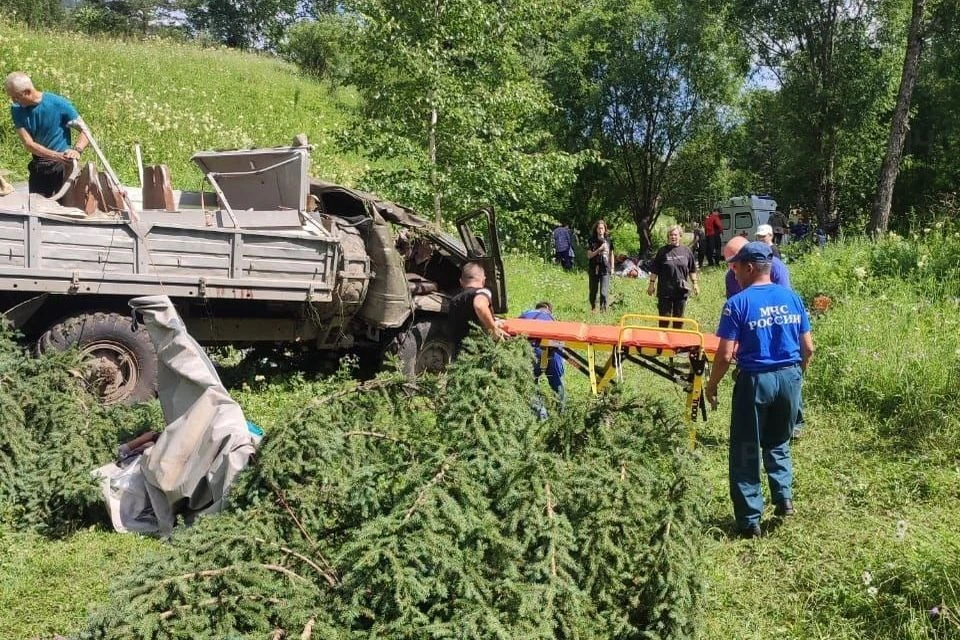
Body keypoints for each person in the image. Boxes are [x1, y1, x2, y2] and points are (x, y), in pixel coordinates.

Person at [704, 242, 814, 539]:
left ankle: (750, 520)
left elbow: (725, 355)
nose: (734, 273)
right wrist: (794, 377)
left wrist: (711, 386)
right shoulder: (792, 297)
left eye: (736, 267)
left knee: (745, 449)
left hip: (755, 380)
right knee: (779, 440)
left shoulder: (738, 303)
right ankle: (784, 497)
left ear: (749, 267)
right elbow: (809, 348)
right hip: (789, 377)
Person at [5, 72, 88, 198]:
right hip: (40, 166)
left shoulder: (58, 104)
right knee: (36, 208)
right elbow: (29, 144)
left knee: (63, 209)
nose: (13, 101)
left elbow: (85, 131)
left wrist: (77, 150)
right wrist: (56, 156)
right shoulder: (17, 109)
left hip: (63, 167)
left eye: (16, 97)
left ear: (27, 92)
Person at [518, 301, 565, 418]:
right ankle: (561, 413)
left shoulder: (526, 314)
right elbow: (561, 342)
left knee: (530, 381)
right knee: (557, 382)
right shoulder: (553, 320)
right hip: (553, 351)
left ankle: (540, 414)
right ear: (549, 310)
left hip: (533, 350)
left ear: (537, 308)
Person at [448, 262, 505, 358]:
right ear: (483, 280)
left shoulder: (454, 301)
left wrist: (494, 320)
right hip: (481, 353)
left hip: (460, 356)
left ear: (461, 281)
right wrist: (494, 330)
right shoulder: (482, 291)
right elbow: (479, 306)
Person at [647, 224, 699, 328]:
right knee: (664, 320)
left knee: (678, 320)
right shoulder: (662, 251)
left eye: (675, 235)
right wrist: (651, 285)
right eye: (671, 235)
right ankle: (663, 343)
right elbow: (655, 270)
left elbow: (692, 269)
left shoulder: (686, 251)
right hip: (665, 291)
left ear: (680, 236)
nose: (673, 237)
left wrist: (695, 284)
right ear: (668, 236)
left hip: (681, 290)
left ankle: (677, 343)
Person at [723, 235, 790, 299]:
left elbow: (784, 299)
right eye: (729, 262)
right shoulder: (731, 276)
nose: (732, 267)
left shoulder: (775, 267)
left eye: (736, 260)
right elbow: (733, 305)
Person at [586, 220, 613, 312]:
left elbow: (611, 254)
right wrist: (599, 249)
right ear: (596, 230)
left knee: (603, 292)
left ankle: (603, 310)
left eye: (602, 228)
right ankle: (593, 307)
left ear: (605, 229)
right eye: (599, 228)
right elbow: (589, 255)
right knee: (593, 291)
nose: (600, 230)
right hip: (594, 268)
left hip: (605, 268)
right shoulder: (591, 241)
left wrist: (612, 268)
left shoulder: (609, 240)